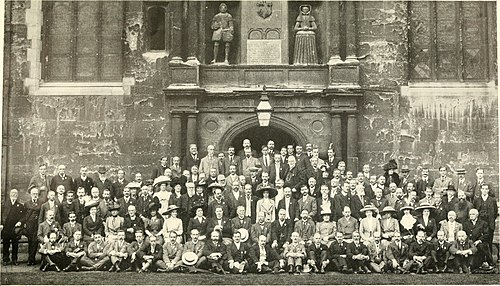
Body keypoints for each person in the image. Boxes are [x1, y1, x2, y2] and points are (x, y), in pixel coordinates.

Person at [2, 189, 25, 266]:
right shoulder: (4, 205)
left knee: (15, 244)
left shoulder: (20, 206)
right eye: (12, 193)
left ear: (17, 195)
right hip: (6, 227)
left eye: (15, 193)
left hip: (15, 228)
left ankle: (14, 259)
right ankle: (5, 259)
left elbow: (23, 217)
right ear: (10, 194)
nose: (14, 194)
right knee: (6, 244)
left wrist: (20, 222)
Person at [24, 187, 42, 265]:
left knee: (34, 241)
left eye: (36, 194)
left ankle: (31, 259)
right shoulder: (27, 203)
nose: (35, 195)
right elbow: (24, 215)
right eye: (33, 194)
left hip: (37, 225)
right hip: (29, 225)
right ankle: (31, 258)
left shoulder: (41, 203)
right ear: (31, 195)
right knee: (31, 241)